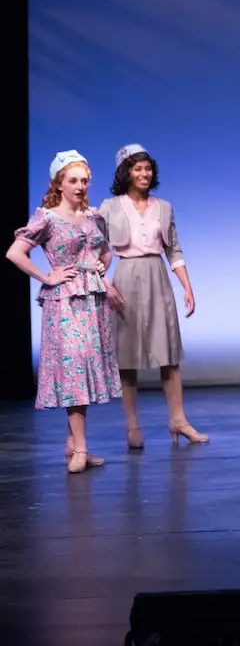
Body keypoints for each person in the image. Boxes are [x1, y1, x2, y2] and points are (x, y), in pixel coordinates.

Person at [6, 150, 124, 473]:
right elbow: (15, 252)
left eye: (84, 180)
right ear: (59, 183)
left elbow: (104, 251)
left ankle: (73, 445)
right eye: (73, 180)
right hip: (65, 302)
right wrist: (47, 276)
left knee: (84, 369)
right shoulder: (47, 217)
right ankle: (82, 448)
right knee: (74, 369)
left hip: (92, 301)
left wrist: (102, 264)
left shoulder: (94, 216)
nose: (80, 186)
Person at [98, 144, 208, 448]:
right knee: (127, 357)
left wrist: (187, 285)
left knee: (169, 355)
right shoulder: (109, 207)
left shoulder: (164, 207)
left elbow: (174, 250)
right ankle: (132, 426)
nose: (144, 173)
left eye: (147, 168)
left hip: (157, 276)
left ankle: (178, 420)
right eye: (137, 168)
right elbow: (95, 251)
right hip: (125, 277)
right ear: (126, 173)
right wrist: (105, 284)